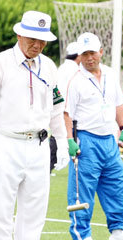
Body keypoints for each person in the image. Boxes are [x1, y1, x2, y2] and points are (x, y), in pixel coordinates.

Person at [0, 10, 69, 240]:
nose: (37, 45)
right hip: (6, 142)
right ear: (20, 34)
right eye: (32, 38)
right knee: (0, 209)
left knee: (34, 210)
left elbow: (56, 109)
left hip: (38, 146)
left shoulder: (49, 67)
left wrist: (61, 143)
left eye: (42, 40)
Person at [64, 32, 123, 240]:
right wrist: (70, 140)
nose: (89, 58)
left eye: (93, 53)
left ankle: (119, 230)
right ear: (79, 56)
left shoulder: (109, 74)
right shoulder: (75, 81)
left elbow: (118, 103)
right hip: (86, 139)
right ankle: (82, 234)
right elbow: (67, 113)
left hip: (109, 139)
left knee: (116, 184)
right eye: (84, 54)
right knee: (83, 188)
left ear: (101, 52)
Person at [50, 42, 81, 175]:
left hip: (57, 106)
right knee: (61, 137)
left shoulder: (62, 67)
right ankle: (49, 165)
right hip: (67, 109)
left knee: (59, 135)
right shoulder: (75, 70)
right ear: (79, 55)